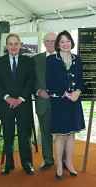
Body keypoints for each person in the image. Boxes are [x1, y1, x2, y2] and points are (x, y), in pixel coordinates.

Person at [0, 33, 35, 175]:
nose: (13, 46)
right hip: (6, 104)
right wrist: (7, 98)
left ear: (20, 45)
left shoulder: (28, 62)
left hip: (23, 104)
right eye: (10, 44)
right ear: (6, 46)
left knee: (25, 135)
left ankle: (27, 164)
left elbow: (31, 82)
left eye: (16, 43)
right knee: (8, 135)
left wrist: (20, 98)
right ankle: (9, 165)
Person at [46, 30, 85, 180]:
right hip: (59, 101)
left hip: (74, 101)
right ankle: (59, 166)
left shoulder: (77, 59)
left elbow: (81, 80)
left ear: (71, 42)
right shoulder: (51, 60)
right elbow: (49, 82)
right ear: (58, 44)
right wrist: (65, 93)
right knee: (61, 135)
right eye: (62, 41)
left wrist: (78, 91)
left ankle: (69, 163)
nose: (65, 44)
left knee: (72, 133)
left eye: (67, 41)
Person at [33, 32, 66, 170]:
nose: (50, 44)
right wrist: (38, 91)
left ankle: (64, 160)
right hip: (42, 102)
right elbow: (31, 80)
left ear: (57, 42)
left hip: (61, 102)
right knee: (45, 133)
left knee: (62, 132)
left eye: (53, 41)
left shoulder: (65, 57)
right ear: (44, 43)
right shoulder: (36, 59)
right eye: (48, 41)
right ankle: (48, 159)